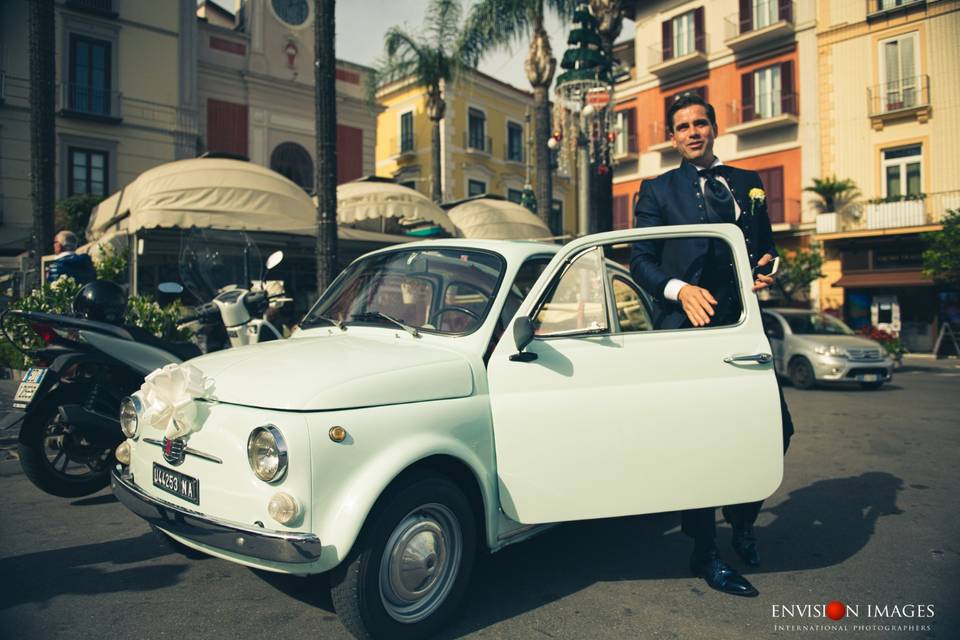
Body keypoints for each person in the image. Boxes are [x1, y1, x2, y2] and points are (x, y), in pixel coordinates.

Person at [629, 94, 794, 598]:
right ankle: (706, 548)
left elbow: (764, 246)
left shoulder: (747, 183)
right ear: (674, 138)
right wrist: (681, 290)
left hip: (742, 327)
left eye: (700, 122)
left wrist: (768, 267)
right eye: (682, 127)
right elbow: (641, 259)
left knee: (774, 428)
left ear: (715, 127)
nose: (693, 131)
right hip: (684, 329)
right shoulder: (657, 190)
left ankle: (742, 521)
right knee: (697, 443)